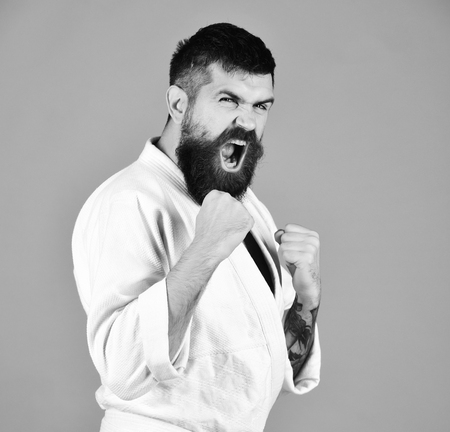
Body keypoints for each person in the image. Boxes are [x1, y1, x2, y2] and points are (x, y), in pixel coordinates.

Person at [72, 22, 321, 432]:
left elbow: (270, 364)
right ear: (178, 103)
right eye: (228, 99)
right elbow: (124, 368)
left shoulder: (244, 206)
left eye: (261, 106)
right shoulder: (129, 200)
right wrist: (206, 249)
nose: (247, 122)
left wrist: (307, 298)